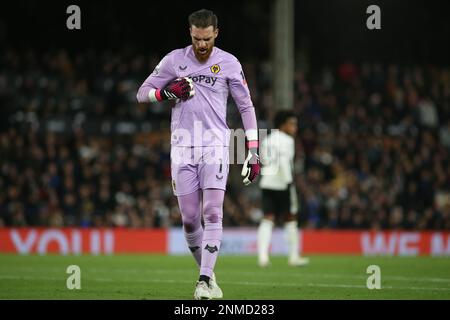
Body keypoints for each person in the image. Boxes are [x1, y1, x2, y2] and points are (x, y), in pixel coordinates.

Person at [136, 9, 260, 300]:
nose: (201, 45)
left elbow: (246, 107)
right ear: (189, 33)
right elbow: (142, 92)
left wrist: (252, 151)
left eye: (206, 39)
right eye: (196, 38)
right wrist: (166, 93)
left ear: (216, 32)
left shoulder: (229, 63)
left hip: (215, 145)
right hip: (182, 146)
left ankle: (203, 281)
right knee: (190, 220)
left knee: (212, 211)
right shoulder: (174, 60)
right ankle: (210, 274)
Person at [257, 111, 309, 267]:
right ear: (283, 124)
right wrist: (289, 182)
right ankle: (293, 257)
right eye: (292, 123)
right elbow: (285, 162)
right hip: (283, 183)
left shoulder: (267, 140)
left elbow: (263, 160)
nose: (295, 127)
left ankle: (263, 257)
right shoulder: (288, 141)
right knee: (290, 218)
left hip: (267, 182)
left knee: (268, 219)